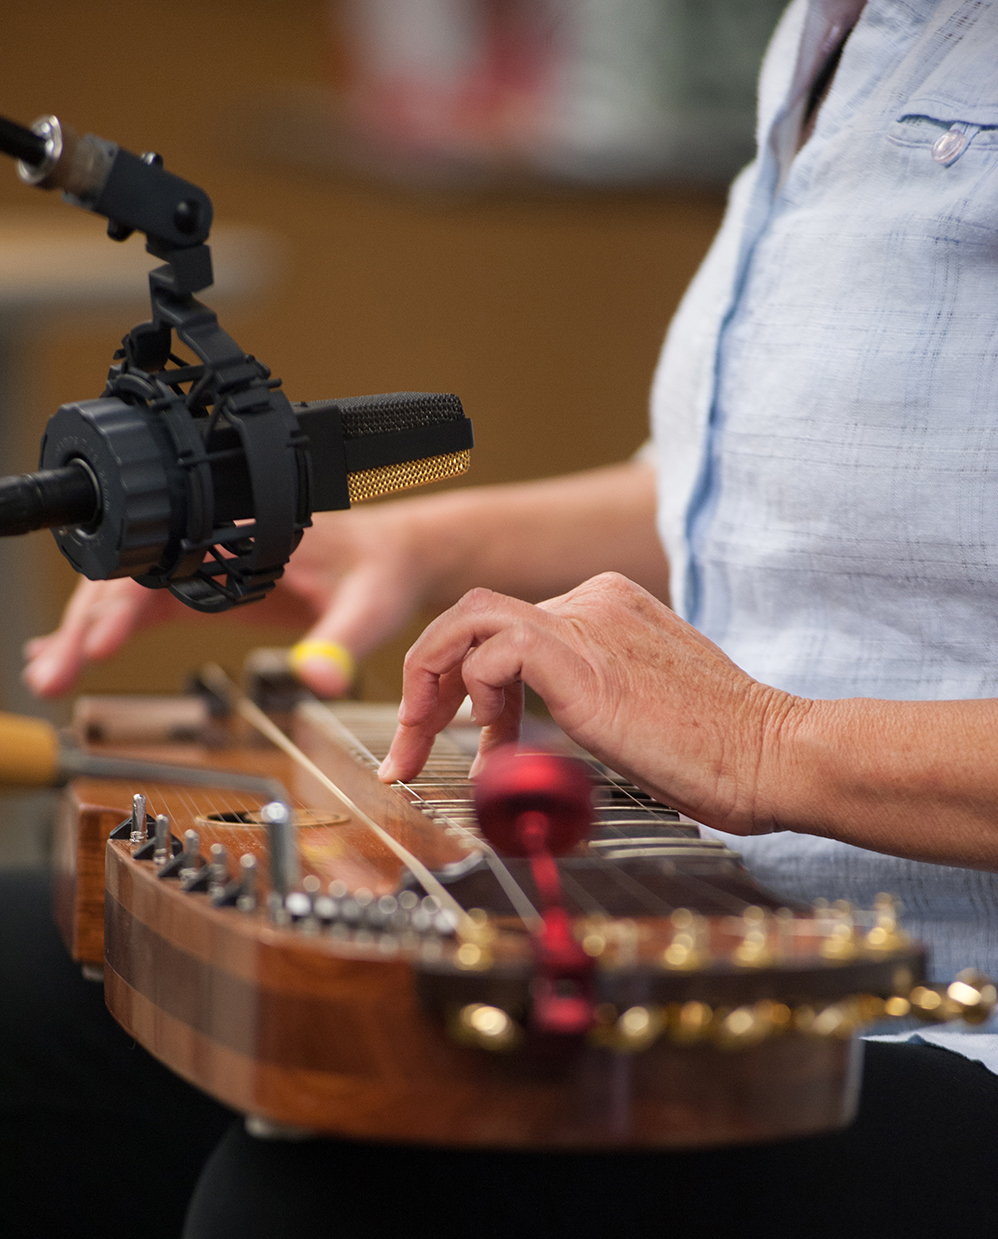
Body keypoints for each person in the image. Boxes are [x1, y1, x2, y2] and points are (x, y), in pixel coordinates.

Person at [11, 0, 998, 1234]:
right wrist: (418, 540)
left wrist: (762, 743)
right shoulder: (842, 24)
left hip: (935, 1013)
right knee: (24, 995)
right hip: (688, 898)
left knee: (331, 1198)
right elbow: (736, 492)